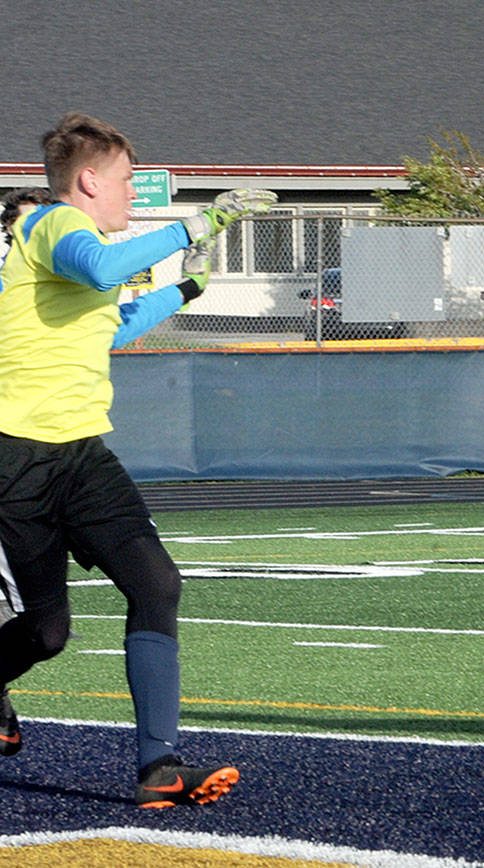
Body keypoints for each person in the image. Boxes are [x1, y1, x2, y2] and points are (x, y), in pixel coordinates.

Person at [0, 113, 275, 807]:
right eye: (127, 179)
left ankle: (160, 767)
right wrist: (198, 225)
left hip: (81, 457)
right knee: (47, 633)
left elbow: (111, 326)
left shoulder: (83, 249)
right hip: (17, 459)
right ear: (90, 180)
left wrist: (184, 291)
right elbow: (102, 268)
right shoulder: (54, 225)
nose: (134, 192)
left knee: (157, 583)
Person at [1, 186, 199, 350]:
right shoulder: (7, 281)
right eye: (29, 221)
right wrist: (191, 229)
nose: (38, 226)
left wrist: (182, 291)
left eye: (45, 220)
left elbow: (106, 331)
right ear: (10, 227)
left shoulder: (71, 276)